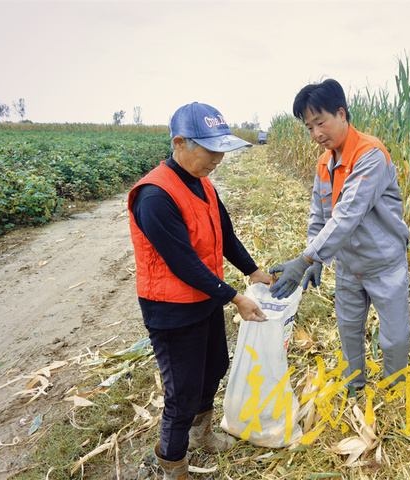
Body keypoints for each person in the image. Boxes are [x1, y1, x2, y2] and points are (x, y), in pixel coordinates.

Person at [128, 102, 272, 479]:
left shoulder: (203, 183)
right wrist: (236, 297)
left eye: (222, 148)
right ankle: (172, 462)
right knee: (183, 392)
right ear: (180, 143)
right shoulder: (155, 196)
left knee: (215, 368)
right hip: (172, 310)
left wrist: (254, 271)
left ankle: (201, 433)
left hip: (205, 300)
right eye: (211, 150)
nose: (219, 159)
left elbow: (224, 234)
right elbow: (183, 264)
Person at [270, 79, 410, 395]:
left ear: (342, 114)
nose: (316, 134)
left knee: (395, 338)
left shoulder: (369, 155)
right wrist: (314, 258)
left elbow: (347, 215)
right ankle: (354, 387)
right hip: (348, 267)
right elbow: (319, 213)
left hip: (384, 263)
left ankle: (394, 392)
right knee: (348, 331)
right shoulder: (325, 160)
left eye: (320, 123)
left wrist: (307, 258)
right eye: (309, 127)